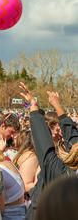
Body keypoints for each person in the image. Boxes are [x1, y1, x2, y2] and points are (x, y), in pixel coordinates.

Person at [19, 82, 78, 220]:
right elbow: (72, 137)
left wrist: (34, 105)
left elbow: (45, 149)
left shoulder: (63, 172)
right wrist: (58, 107)